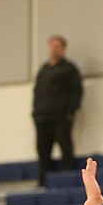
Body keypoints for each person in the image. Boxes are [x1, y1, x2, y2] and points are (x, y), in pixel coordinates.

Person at [32, 34, 82, 187]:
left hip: (61, 116)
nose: (54, 49)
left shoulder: (69, 69)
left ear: (63, 49)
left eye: (57, 46)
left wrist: (70, 112)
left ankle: (69, 181)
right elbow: (37, 92)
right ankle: (44, 182)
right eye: (52, 46)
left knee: (65, 148)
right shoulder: (44, 69)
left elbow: (76, 91)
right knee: (42, 151)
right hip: (42, 118)